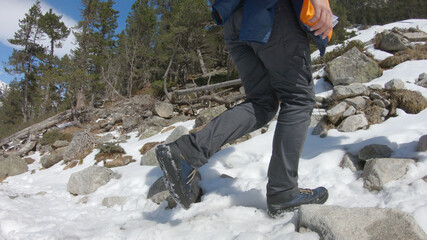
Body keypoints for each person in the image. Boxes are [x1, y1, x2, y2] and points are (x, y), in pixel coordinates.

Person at [155, 0, 334, 217]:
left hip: (233, 21)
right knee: (298, 99)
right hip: (272, 14)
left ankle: (187, 151)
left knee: (262, 103)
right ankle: (283, 192)